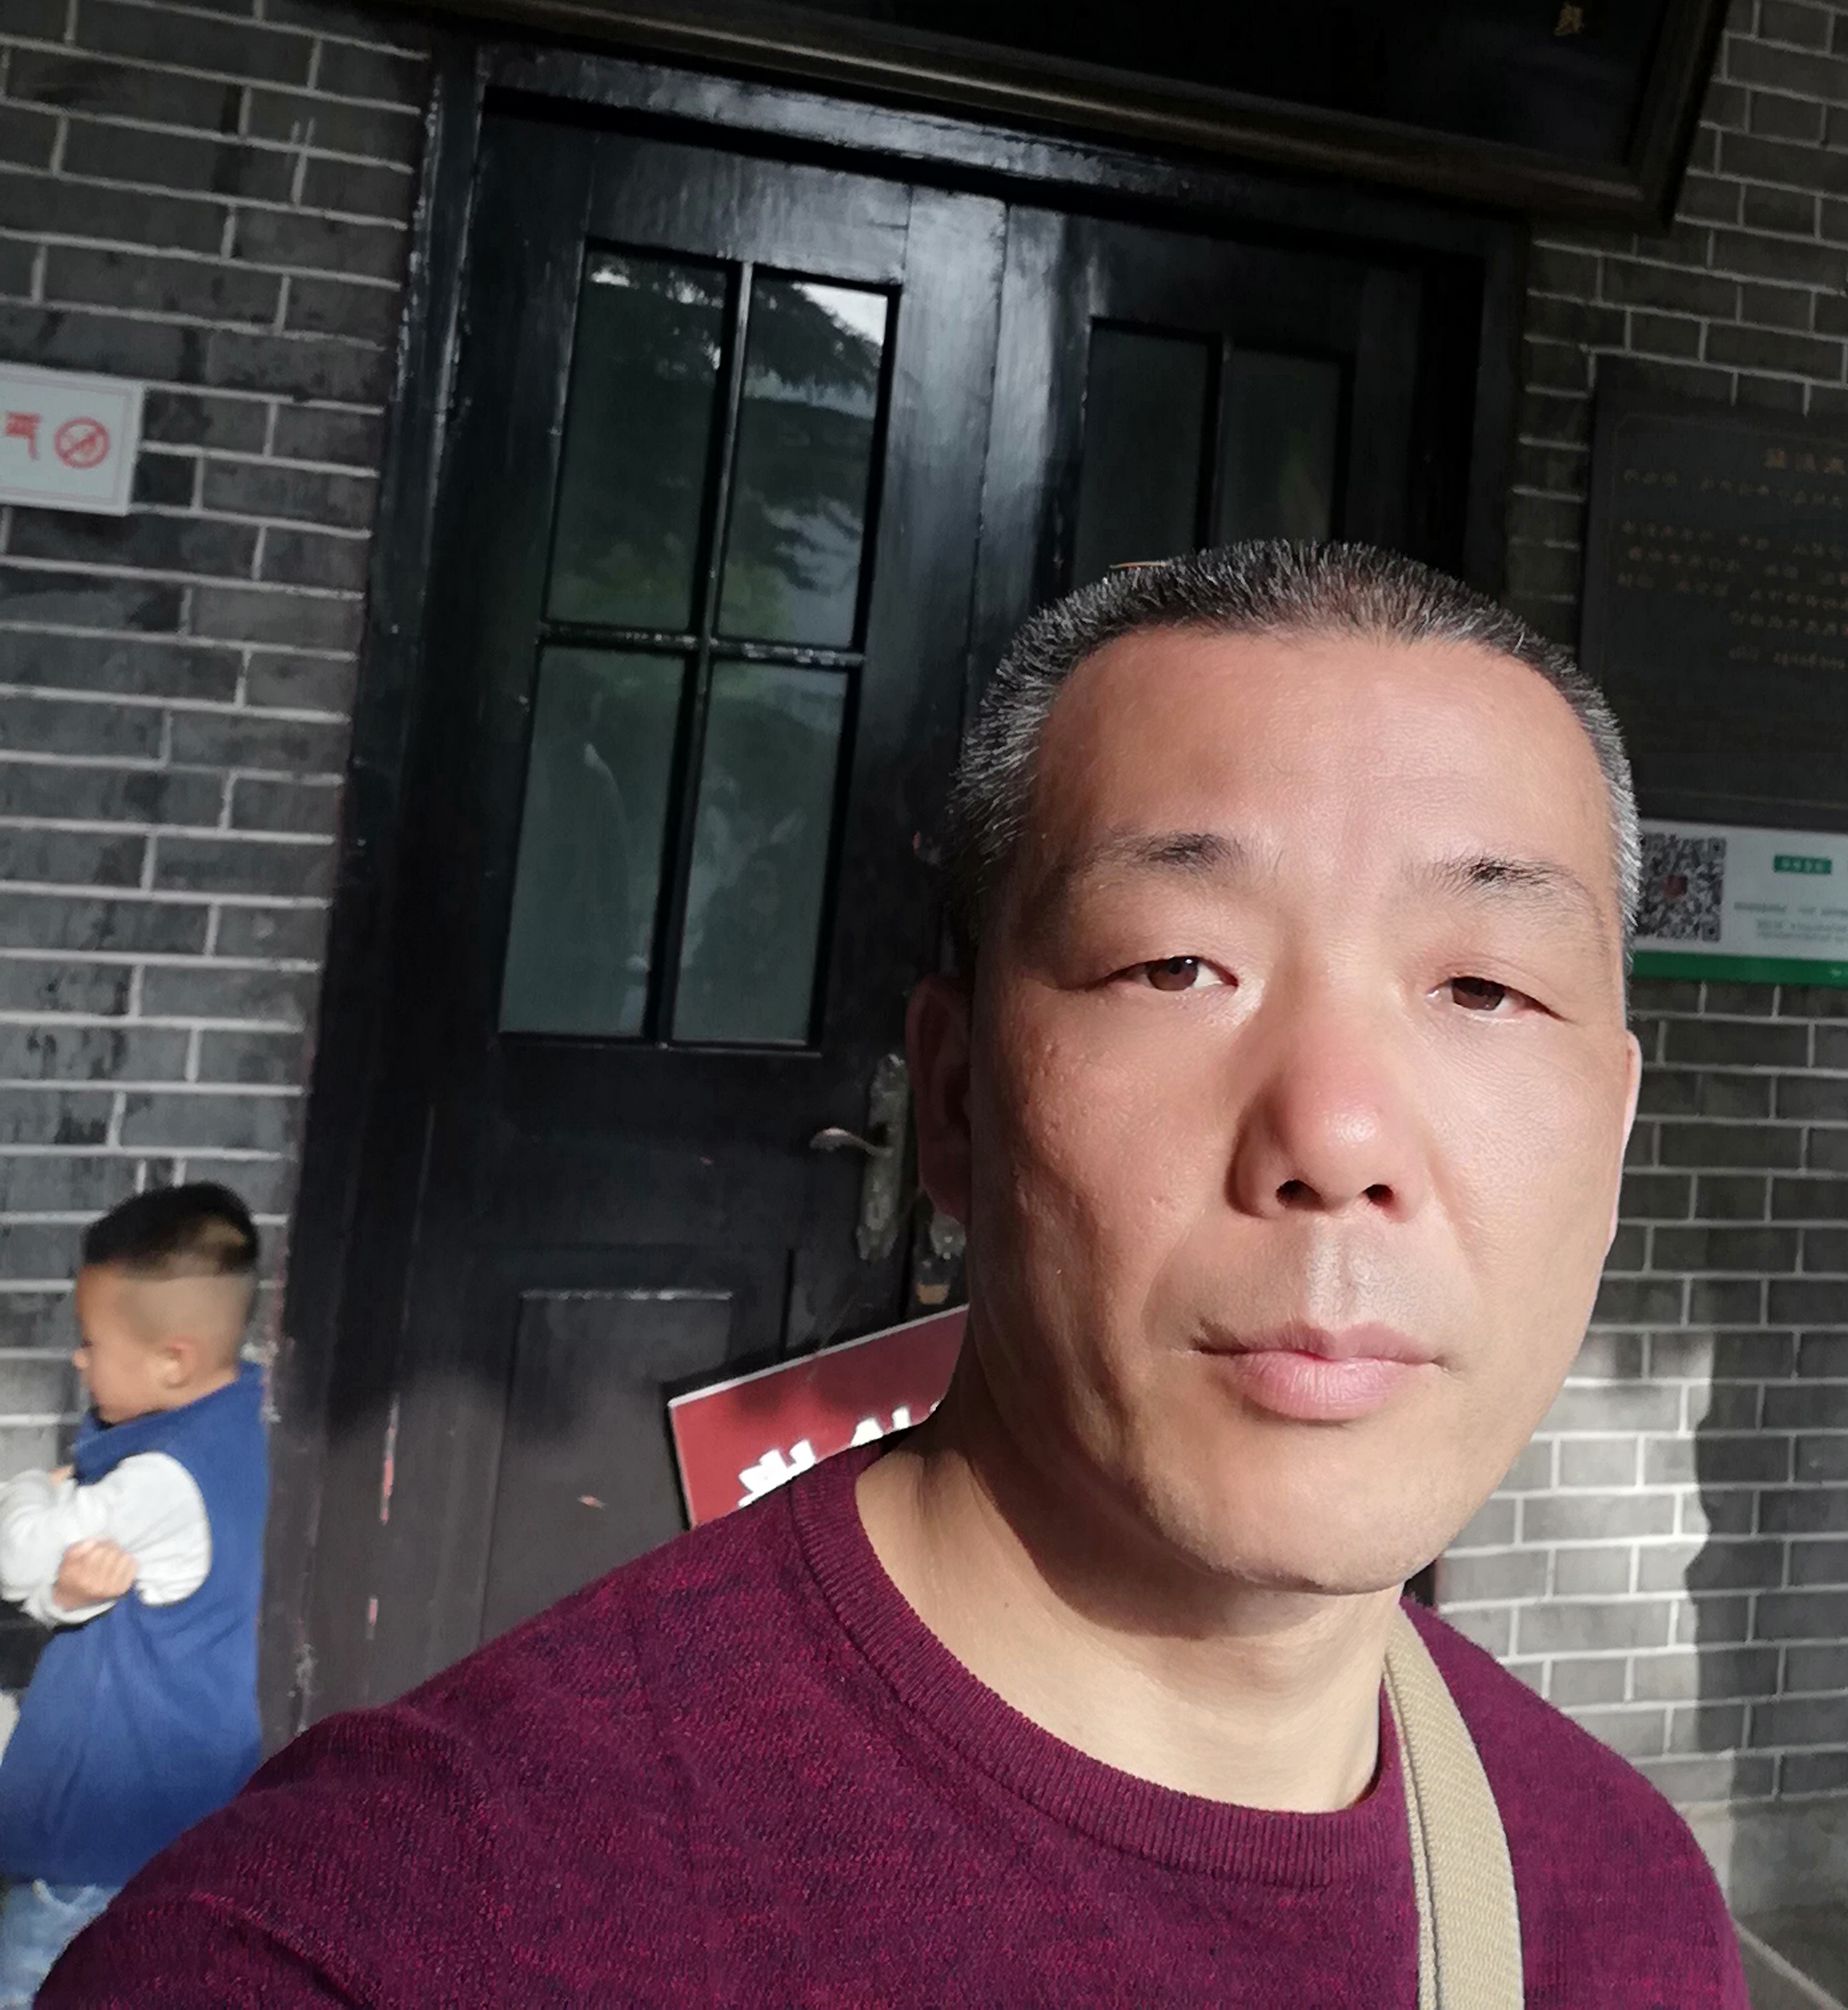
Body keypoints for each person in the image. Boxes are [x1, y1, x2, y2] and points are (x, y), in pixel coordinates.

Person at [52, 543, 1745, 2007]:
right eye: (1177, 963)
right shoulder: (373, 1941)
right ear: (953, 1103)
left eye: (1482, 989)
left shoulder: (1621, 1905)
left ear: (1611, 1144)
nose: (1337, 1133)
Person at [0, 1185, 267, 2007]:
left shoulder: (159, 1479)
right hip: (160, 1819)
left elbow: (16, 1554)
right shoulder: (229, 1425)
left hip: (100, 1839)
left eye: (90, 1342)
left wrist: (31, 1487)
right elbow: (72, 1585)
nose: (79, 1361)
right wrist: (64, 1598)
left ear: (172, 1361)